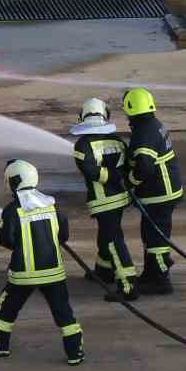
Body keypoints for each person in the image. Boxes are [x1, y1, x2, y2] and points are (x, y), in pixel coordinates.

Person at [0, 159, 85, 365]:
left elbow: (6, 240)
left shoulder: (11, 211)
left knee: (6, 308)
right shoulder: (52, 205)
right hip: (54, 272)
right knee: (63, 312)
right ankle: (75, 352)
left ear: (13, 181)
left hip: (23, 275)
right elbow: (63, 235)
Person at [71, 98, 138, 303]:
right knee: (107, 234)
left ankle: (127, 285)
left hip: (103, 201)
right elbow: (127, 167)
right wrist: (119, 178)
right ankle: (103, 271)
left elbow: (90, 171)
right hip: (120, 198)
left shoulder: (82, 145)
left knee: (112, 241)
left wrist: (113, 177)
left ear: (83, 117)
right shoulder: (117, 141)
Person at [122, 88, 184, 295]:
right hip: (167, 190)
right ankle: (151, 274)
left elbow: (145, 166)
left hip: (159, 192)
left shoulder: (143, 133)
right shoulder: (152, 124)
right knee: (153, 234)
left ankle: (159, 280)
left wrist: (130, 181)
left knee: (155, 237)